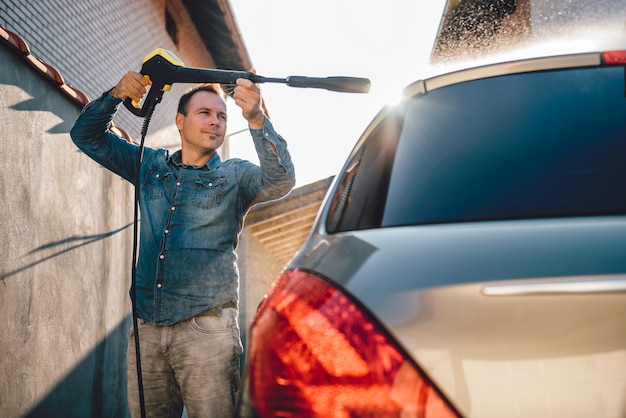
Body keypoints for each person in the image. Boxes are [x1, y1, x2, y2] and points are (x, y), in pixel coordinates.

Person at [70, 70, 295, 418]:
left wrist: (256, 118)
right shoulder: (150, 165)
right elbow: (86, 136)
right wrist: (115, 95)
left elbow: (281, 180)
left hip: (207, 331)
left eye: (222, 115)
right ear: (180, 120)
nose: (216, 122)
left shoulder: (235, 175)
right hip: (146, 329)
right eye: (205, 113)